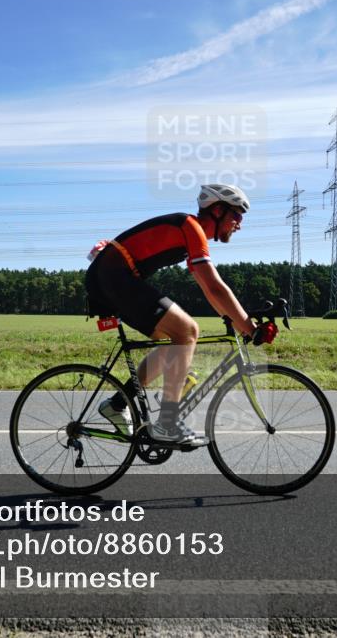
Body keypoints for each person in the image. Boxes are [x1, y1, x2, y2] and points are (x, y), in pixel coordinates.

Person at [84, 184, 276, 446]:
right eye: (236, 216)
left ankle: (118, 404)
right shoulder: (191, 227)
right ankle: (167, 423)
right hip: (114, 277)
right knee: (187, 331)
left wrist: (234, 320)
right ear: (218, 210)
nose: (239, 224)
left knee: (174, 343)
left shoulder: (190, 233)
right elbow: (215, 286)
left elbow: (208, 289)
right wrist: (249, 327)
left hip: (113, 278)